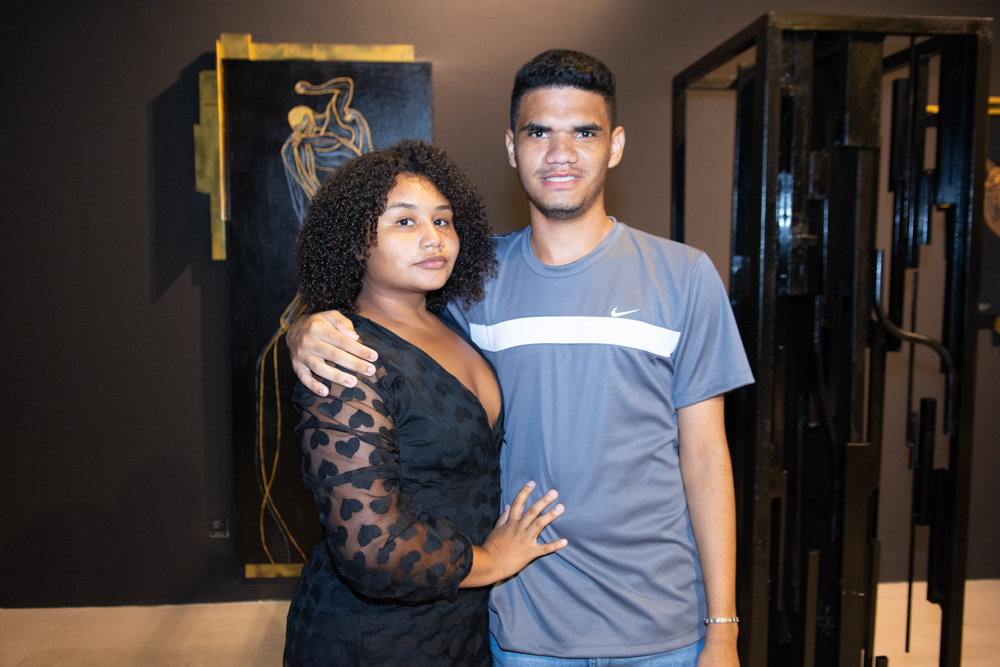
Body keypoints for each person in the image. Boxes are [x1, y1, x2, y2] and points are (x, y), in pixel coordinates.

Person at [287, 51, 753, 667]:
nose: (561, 153)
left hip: (663, 627)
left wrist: (723, 628)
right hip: (522, 626)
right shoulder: (469, 281)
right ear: (512, 147)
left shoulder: (685, 276)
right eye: (539, 132)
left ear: (614, 145)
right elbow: (383, 311)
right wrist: (306, 327)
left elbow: (706, 457)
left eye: (583, 132)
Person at [283, 139, 568, 667]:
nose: (433, 238)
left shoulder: (452, 321)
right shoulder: (347, 355)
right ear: (355, 243)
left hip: (461, 624)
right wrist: (492, 559)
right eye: (404, 222)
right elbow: (371, 547)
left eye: (442, 220)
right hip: (372, 638)